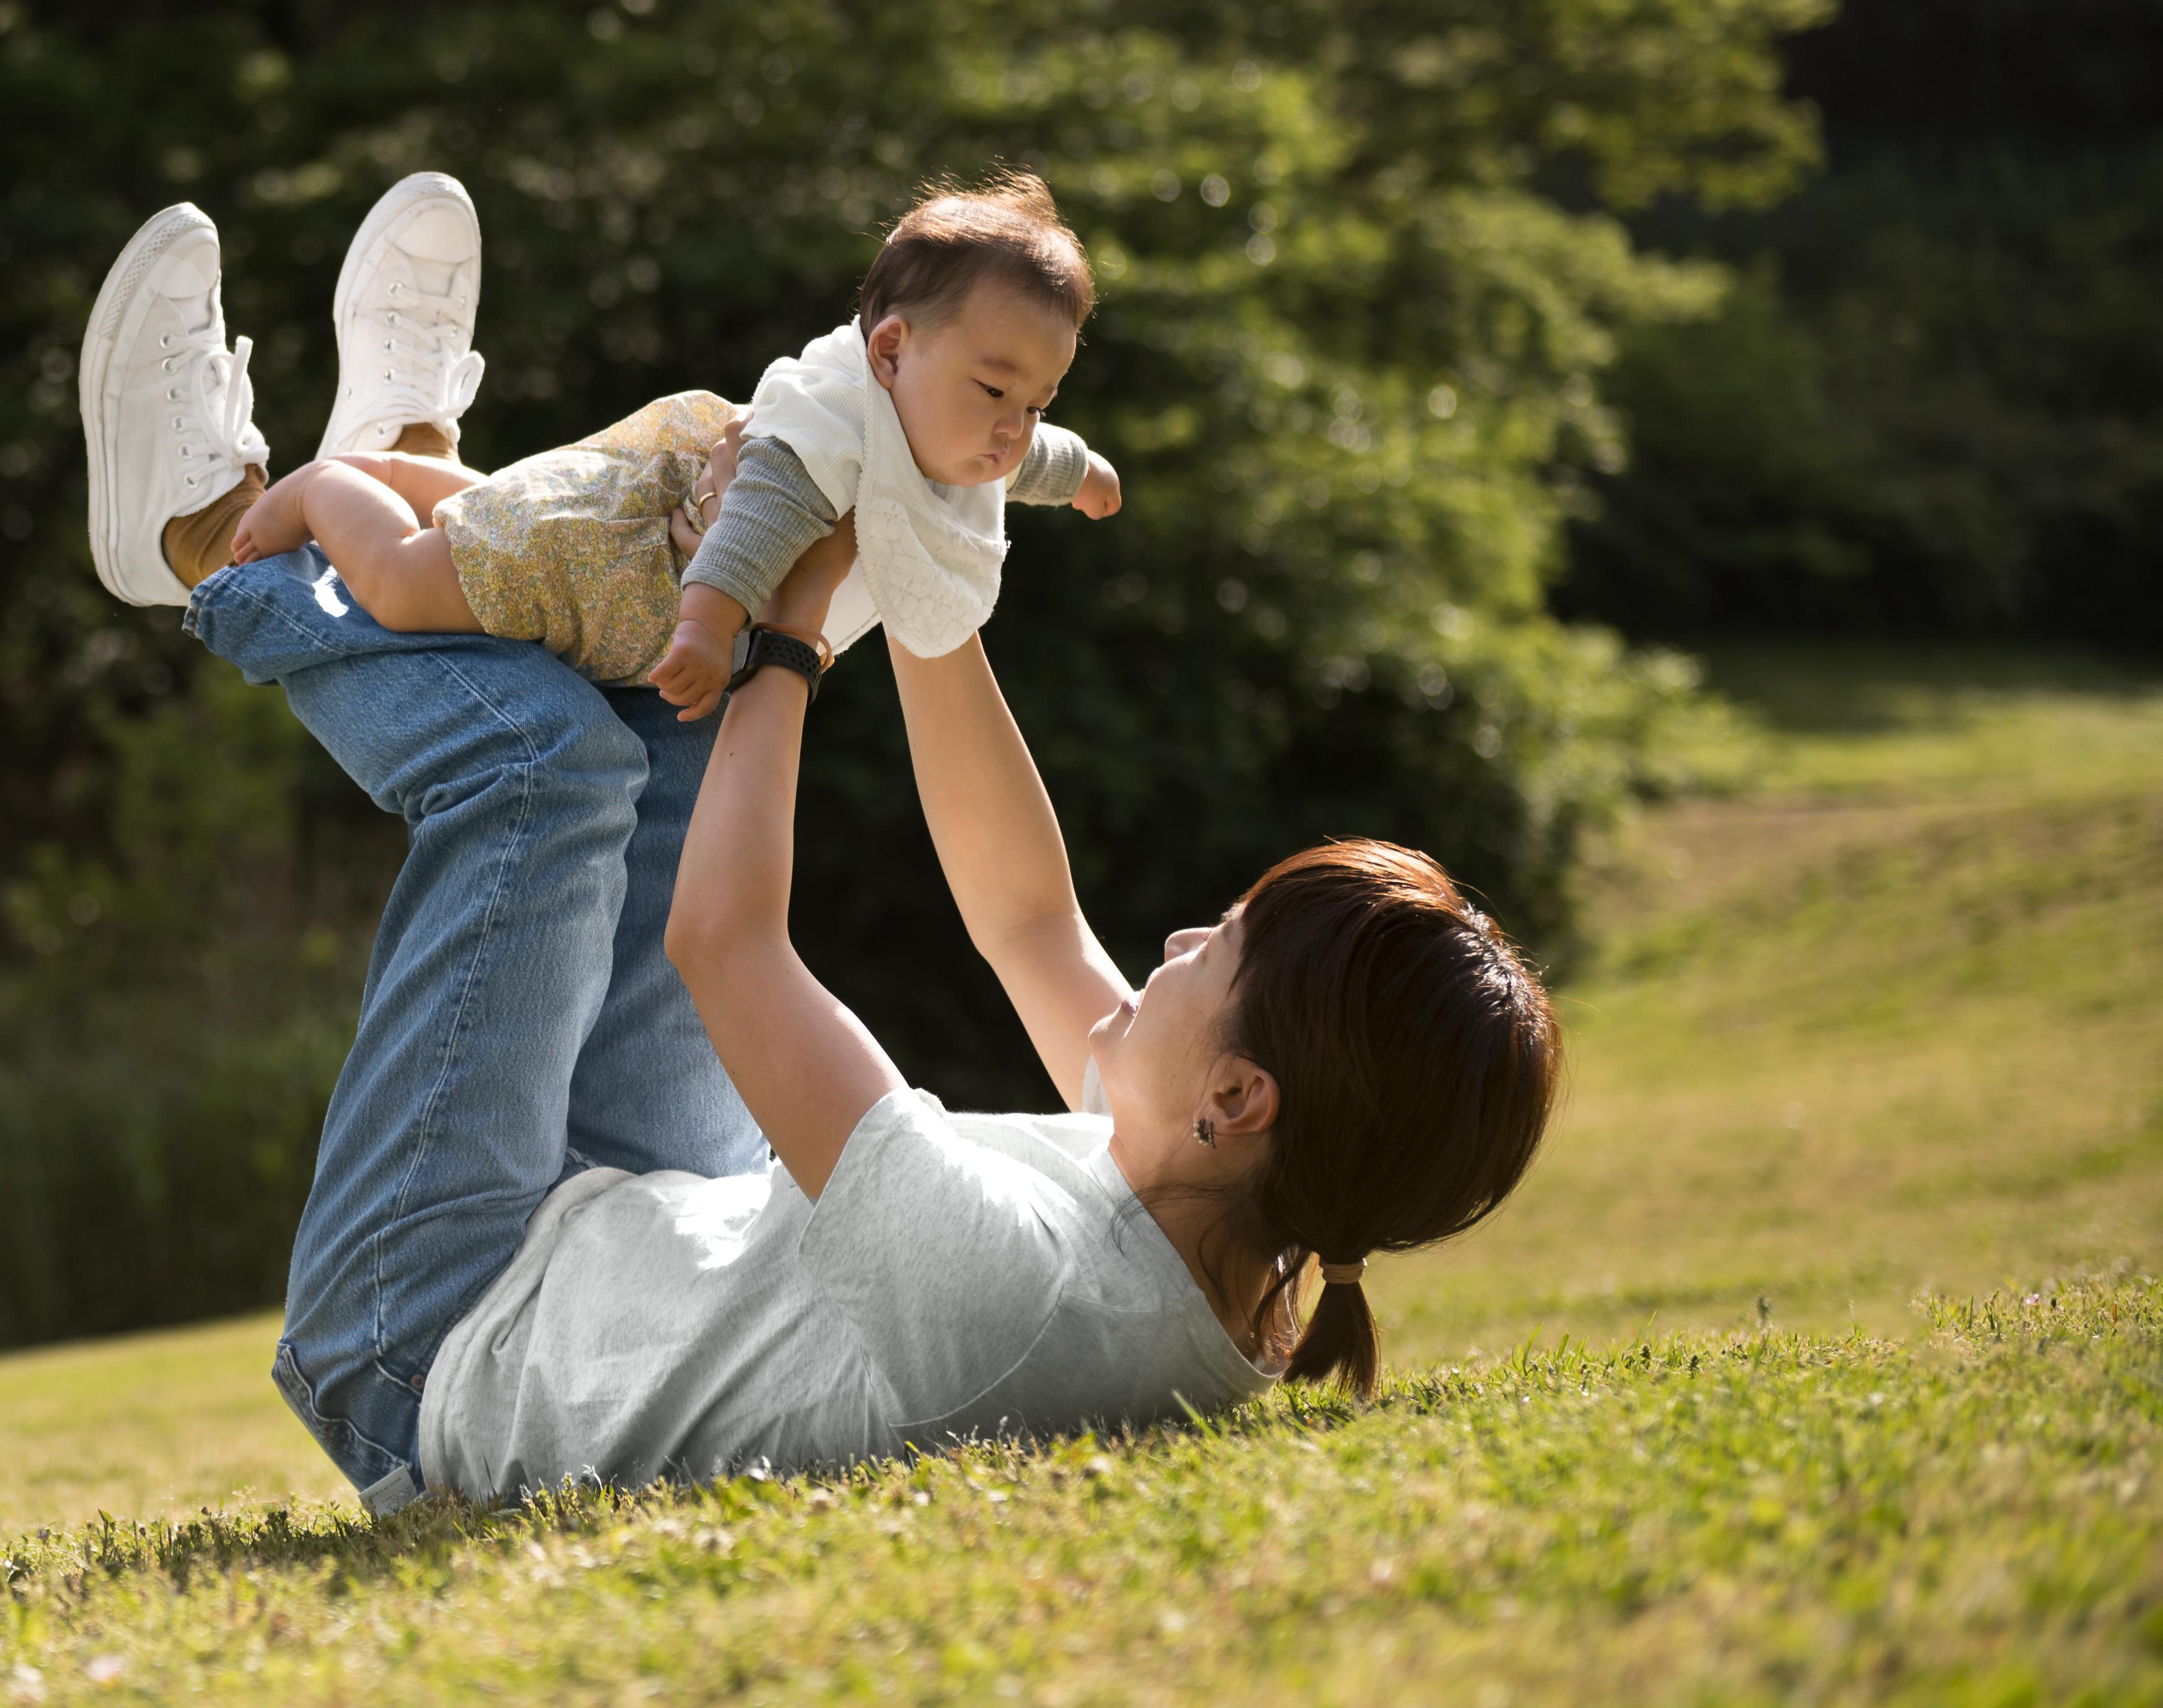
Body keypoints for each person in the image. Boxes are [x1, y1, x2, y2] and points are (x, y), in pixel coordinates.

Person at [77, 180, 1564, 1508]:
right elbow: (1029, 919)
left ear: (1242, 1090)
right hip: (636, 1233)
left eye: (1216, 947)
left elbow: (727, 945)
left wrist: (793, 635)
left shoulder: (1023, 1300)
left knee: (547, 771)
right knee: (671, 696)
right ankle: (403, 480)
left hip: (446, 1338)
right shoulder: (1218, 1213)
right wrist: (921, 573)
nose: (1174, 940)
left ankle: (206, 545)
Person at [213, 171, 1125, 721]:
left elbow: (1028, 460)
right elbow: (758, 525)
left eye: (1041, 403)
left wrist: (1079, 472)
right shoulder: (830, 435)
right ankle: (324, 489)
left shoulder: (959, 431)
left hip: (626, 574)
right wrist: (705, 627)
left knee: (483, 509)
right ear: (891, 348)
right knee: (412, 586)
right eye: (999, 391)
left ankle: (389, 463)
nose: (1017, 427)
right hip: (609, 566)